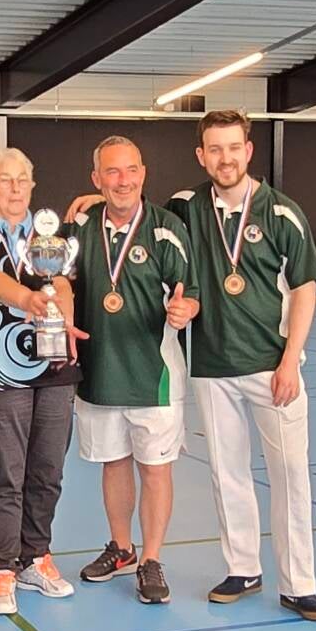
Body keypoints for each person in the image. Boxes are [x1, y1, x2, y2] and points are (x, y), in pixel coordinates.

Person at [167, 109, 316, 622]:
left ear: (248, 150)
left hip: (272, 367)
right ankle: (242, 568)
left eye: (233, 147)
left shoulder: (282, 213)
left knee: (290, 475)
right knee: (227, 472)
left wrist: (290, 361)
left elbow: (305, 290)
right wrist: (88, 207)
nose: (225, 158)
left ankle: (299, 584)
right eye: (215, 149)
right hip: (212, 365)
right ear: (201, 155)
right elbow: (142, 221)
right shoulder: (186, 207)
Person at [65, 136, 199, 605]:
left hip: (153, 376)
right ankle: (122, 548)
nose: (123, 181)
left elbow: (190, 292)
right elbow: (54, 273)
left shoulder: (166, 230)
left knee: (155, 470)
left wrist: (185, 310)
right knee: (113, 462)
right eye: (112, 172)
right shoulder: (80, 227)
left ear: (143, 173)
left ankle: (152, 559)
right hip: (99, 372)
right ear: (96, 178)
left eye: (131, 170)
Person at [0, 148, 82, 615]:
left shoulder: (50, 236)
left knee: (47, 472)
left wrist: (63, 309)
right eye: (4, 180)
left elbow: (64, 281)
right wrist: (29, 299)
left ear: (32, 186)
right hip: (0, 373)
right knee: (6, 477)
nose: (14, 188)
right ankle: (2, 569)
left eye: (22, 179)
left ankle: (36, 557)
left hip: (54, 370)